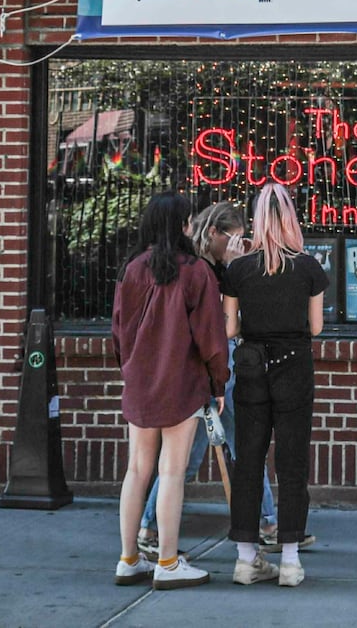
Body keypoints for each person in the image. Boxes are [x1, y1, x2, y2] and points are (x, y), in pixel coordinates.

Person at [139, 203, 281, 558]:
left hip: (219, 366)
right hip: (215, 365)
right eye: (233, 238)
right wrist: (234, 270)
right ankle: (267, 522)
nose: (238, 244)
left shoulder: (212, 265)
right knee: (237, 446)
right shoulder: (200, 268)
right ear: (215, 233)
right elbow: (217, 319)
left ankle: (150, 526)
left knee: (216, 451)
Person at [112, 193, 229, 589]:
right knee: (172, 473)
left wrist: (129, 370)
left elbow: (118, 329)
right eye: (190, 220)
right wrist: (219, 383)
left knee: (136, 470)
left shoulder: (132, 269)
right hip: (182, 383)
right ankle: (167, 561)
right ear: (182, 225)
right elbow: (212, 339)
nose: (193, 225)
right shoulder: (196, 272)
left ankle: (129, 558)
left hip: (140, 383)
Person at [221, 184, 329, 587]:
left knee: (248, 459)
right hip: (294, 365)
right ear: (289, 219)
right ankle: (289, 559)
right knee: (292, 461)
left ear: (256, 220)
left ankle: (246, 558)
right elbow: (315, 328)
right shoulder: (309, 267)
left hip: (250, 366)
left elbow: (230, 329)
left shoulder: (238, 270)